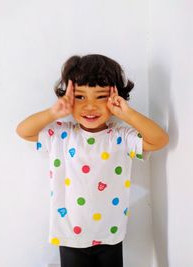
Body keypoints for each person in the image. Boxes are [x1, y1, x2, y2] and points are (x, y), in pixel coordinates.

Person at [16, 54, 169, 267]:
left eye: (100, 97)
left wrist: (128, 115)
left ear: (116, 98)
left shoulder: (121, 136)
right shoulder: (61, 135)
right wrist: (53, 113)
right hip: (70, 235)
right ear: (68, 99)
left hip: (110, 234)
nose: (90, 106)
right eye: (80, 97)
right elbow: (23, 131)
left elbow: (159, 140)